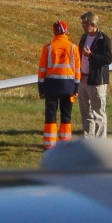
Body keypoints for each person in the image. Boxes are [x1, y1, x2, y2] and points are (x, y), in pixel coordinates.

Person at [36, 20, 79, 150]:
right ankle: (65, 145)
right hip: (68, 86)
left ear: (54, 32)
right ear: (66, 32)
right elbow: (77, 70)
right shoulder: (73, 48)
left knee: (50, 115)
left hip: (51, 86)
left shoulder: (48, 48)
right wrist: (76, 88)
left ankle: (49, 144)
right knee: (66, 116)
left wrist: (41, 88)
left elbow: (42, 70)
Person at [76, 11, 112, 138]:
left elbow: (107, 59)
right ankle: (88, 140)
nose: (83, 26)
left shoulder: (104, 39)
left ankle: (100, 142)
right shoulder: (84, 38)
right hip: (83, 80)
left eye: (85, 24)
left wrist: (91, 55)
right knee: (85, 112)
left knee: (98, 113)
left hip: (96, 81)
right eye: (82, 24)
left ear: (93, 24)